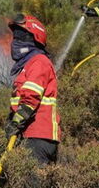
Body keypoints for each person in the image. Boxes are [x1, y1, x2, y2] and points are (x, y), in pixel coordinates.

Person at [5, 14, 61, 163]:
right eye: (15, 36)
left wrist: (16, 121)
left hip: (38, 136)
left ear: (34, 38)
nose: (16, 41)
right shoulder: (29, 64)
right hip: (29, 134)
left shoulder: (39, 62)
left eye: (20, 35)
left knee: (32, 185)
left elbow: (31, 97)